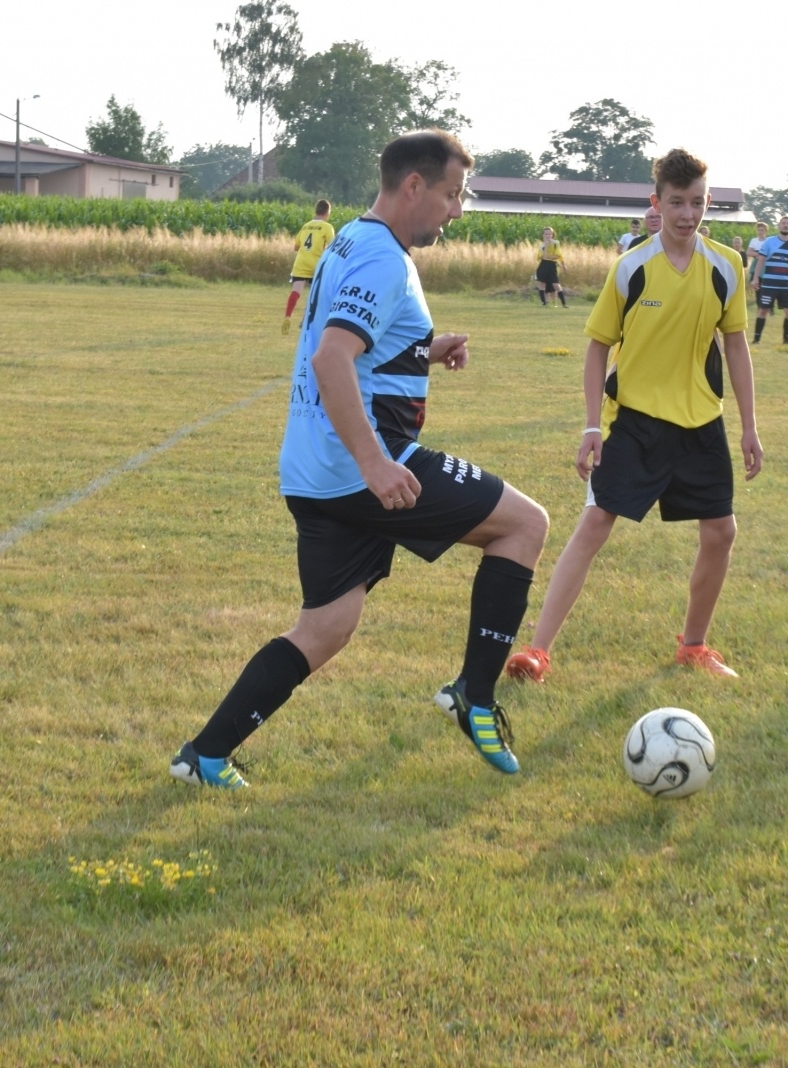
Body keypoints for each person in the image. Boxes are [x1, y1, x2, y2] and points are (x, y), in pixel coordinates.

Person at [170, 131, 549, 787]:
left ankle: (204, 754)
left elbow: (352, 344)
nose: (456, 209)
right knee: (525, 525)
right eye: (451, 194)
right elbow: (331, 357)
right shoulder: (383, 259)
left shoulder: (352, 238)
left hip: (314, 471)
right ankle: (475, 695)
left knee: (325, 627)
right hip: (363, 470)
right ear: (413, 186)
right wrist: (376, 464)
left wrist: (426, 351)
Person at [503, 147, 764, 684]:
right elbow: (599, 346)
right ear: (657, 203)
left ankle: (694, 647)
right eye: (676, 203)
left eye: (697, 203)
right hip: (636, 423)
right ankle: (538, 650)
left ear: (708, 203)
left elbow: (736, 347)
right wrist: (593, 425)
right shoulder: (632, 268)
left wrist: (750, 427)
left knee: (721, 532)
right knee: (595, 523)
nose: (687, 214)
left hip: (700, 423)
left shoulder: (727, 266)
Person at [283, 199, 335, 334]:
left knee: (296, 291)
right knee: (316, 293)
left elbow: (296, 246)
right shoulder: (327, 227)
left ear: (316, 211)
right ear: (327, 212)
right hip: (316, 265)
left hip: (301, 262)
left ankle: (288, 316)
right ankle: (305, 319)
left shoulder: (306, 226)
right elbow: (333, 247)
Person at [751, 215, 788, 345]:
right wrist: (756, 278)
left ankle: (786, 340)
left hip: (785, 285)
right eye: (783, 223)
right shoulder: (769, 242)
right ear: (779, 226)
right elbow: (761, 260)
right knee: (763, 310)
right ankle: (756, 339)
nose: (785, 225)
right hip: (769, 283)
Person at [536, 226, 568, 307]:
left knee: (556, 284)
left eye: (549, 234)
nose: (547, 236)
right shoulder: (542, 245)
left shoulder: (556, 243)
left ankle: (564, 303)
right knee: (542, 284)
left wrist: (563, 265)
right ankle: (544, 303)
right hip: (543, 265)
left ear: (552, 235)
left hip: (552, 265)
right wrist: (546, 247)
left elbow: (558, 255)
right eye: (546, 234)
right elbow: (543, 257)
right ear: (543, 235)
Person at [745, 220, 769, 288]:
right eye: (759, 230)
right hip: (756, 262)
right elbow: (748, 252)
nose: (760, 232)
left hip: (766, 263)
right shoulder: (754, 241)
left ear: (766, 231)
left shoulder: (768, 241)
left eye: (762, 230)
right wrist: (758, 255)